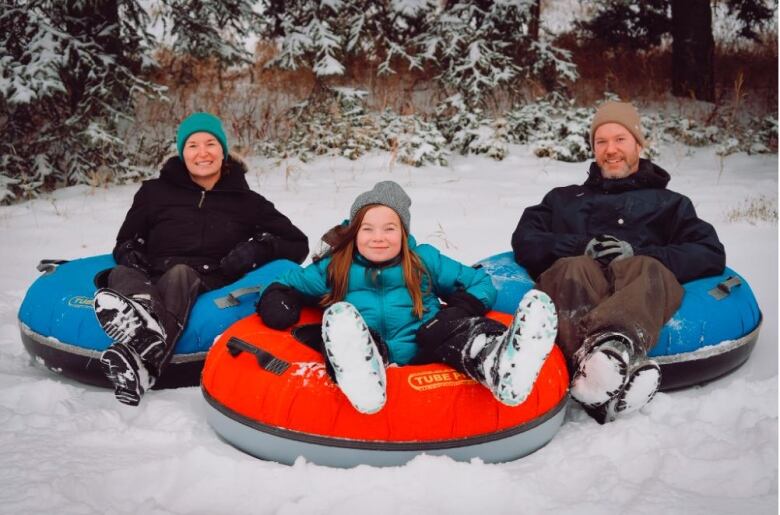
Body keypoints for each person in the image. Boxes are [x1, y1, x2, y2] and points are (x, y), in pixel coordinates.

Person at [257, 181, 558, 414]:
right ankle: (360, 376)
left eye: (390, 228)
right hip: (370, 348)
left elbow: (480, 282)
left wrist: (460, 309)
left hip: (425, 345)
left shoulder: (423, 260)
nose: (378, 237)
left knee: (450, 330)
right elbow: (289, 282)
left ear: (404, 232)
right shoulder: (336, 266)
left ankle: (498, 363)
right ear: (353, 232)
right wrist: (278, 300)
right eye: (368, 229)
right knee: (340, 327)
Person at [512, 101, 725, 424]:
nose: (610, 150)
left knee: (647, 267)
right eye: (601, 142)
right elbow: (525, 240)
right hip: (578, 286)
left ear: (639, 143)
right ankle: (601, 370)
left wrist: (640, 251)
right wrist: (579, 246)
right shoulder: (563, 199)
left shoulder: (670, 204)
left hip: (637, 290)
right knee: (573, 267)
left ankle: (614, 350)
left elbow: (708, 251)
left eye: (620, 139)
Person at [93, 112, 309, 406]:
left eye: (210, 143)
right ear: (182, 153)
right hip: (150, 272)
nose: (202, 153)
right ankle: (142, 330)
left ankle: (141, 345)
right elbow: (124, 241)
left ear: (223, 150)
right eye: (192, 145)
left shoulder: (247, 202)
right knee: (118, 274)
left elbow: (298, 243)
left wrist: (257, 250)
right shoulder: (153, 193)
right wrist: (130, 252)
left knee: (180, 274)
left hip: (206, 277)